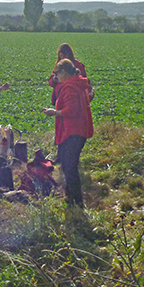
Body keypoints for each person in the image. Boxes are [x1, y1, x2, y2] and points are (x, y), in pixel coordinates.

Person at [43, 59, 94, 208]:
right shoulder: (78, 83)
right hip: (79, 130)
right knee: (67, 165)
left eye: (57, 73)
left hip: (73, 131)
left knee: (69, 167)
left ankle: (77, 202)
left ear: (64, 72)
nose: (56, 77)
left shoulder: (70, 87)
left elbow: (72, 111)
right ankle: (70, 198)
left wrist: (55, 112)